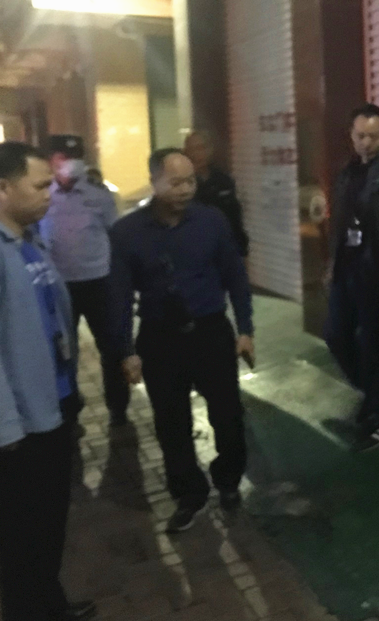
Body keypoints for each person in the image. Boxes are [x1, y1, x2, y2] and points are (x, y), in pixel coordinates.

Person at [0, 142, 97, 621]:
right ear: (2, 189)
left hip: (54, 406)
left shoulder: (25, 238)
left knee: (49, 523)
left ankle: (48, 603)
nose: (50, 193)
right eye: (40, 185)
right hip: (22, 426)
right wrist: (4, 429)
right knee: (21, 541)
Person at [109, 148, 255, 533]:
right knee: (171, 424)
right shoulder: (126, 233)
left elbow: (235, 276)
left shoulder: (212, 221)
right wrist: (126, 351)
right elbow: (119, 296)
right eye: (175, 182)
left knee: (228, 415)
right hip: (160, 339)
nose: (185, 189)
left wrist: (245, 329)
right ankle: (189, 494)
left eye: (190, 181)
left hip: (211, 333)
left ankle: (228, 479)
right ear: (154, 182)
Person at [325, 103, 379, 451]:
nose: (366, 143)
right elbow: (339, 221)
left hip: (377, 271)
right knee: (335, 335)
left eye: (373, 136)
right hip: (347, 267)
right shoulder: (347, 171)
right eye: (360, 136)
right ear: (351, 136)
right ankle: (373, 396)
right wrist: (332, 261)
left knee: (374, 346)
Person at [38, 134, 130, 427]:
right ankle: (70, 411)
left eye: (76, 157)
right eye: (63, 158)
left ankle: (118, 408)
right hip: (61, 286)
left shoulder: (99, 195)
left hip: (99, 282)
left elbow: (115, 236)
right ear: (52, 161)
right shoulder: (43, 196)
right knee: (66, 352)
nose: (70, 164)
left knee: (111, 348)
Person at [184, 130, 250, 260]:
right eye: (192, 149)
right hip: (196, 253)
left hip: (225, 252)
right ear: (186, 152)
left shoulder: (223, 180)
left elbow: (235, 219)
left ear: (210, 150)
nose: (197, 154)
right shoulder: (184, 184)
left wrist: (243, 252)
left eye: (201, 148)